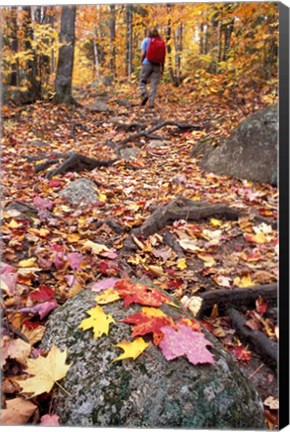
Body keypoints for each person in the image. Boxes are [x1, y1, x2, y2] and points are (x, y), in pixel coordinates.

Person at [139, 27, 165, 108]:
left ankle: (144, 94)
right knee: (154, 85)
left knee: (142, 81)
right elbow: (163, 56)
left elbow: (143, 53)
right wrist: (162, 68)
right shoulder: (161, 42)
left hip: (147, 63)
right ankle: (151, 103)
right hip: (157, 65)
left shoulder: (146, 40)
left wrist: (142, 62)